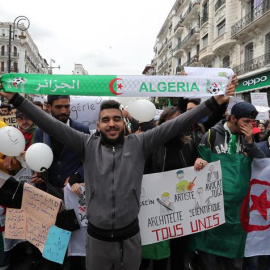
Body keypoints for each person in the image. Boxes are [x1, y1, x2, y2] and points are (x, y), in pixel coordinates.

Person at [0, 82, 235, 270]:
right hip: (97, 240)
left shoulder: (140, 142)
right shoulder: (86, 144)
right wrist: (16, 99)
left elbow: (177, 124)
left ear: (124, 122)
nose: (111, 124)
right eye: (105, 120)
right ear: (99, 125)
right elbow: (48, 123)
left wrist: (215, 102)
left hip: (130, 239)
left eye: (116, 119)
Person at [192, 101, 265, 270]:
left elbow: (262, 163)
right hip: (213, 208)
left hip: (237, 212)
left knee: (234, 258)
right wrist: (199, 161)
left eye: (251, 123)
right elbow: (197, 163)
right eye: (245, 121)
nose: (248, 126)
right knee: (209, 258)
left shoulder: (247, 137)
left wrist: (250, 143)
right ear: (233, 118)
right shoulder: (211, 135)